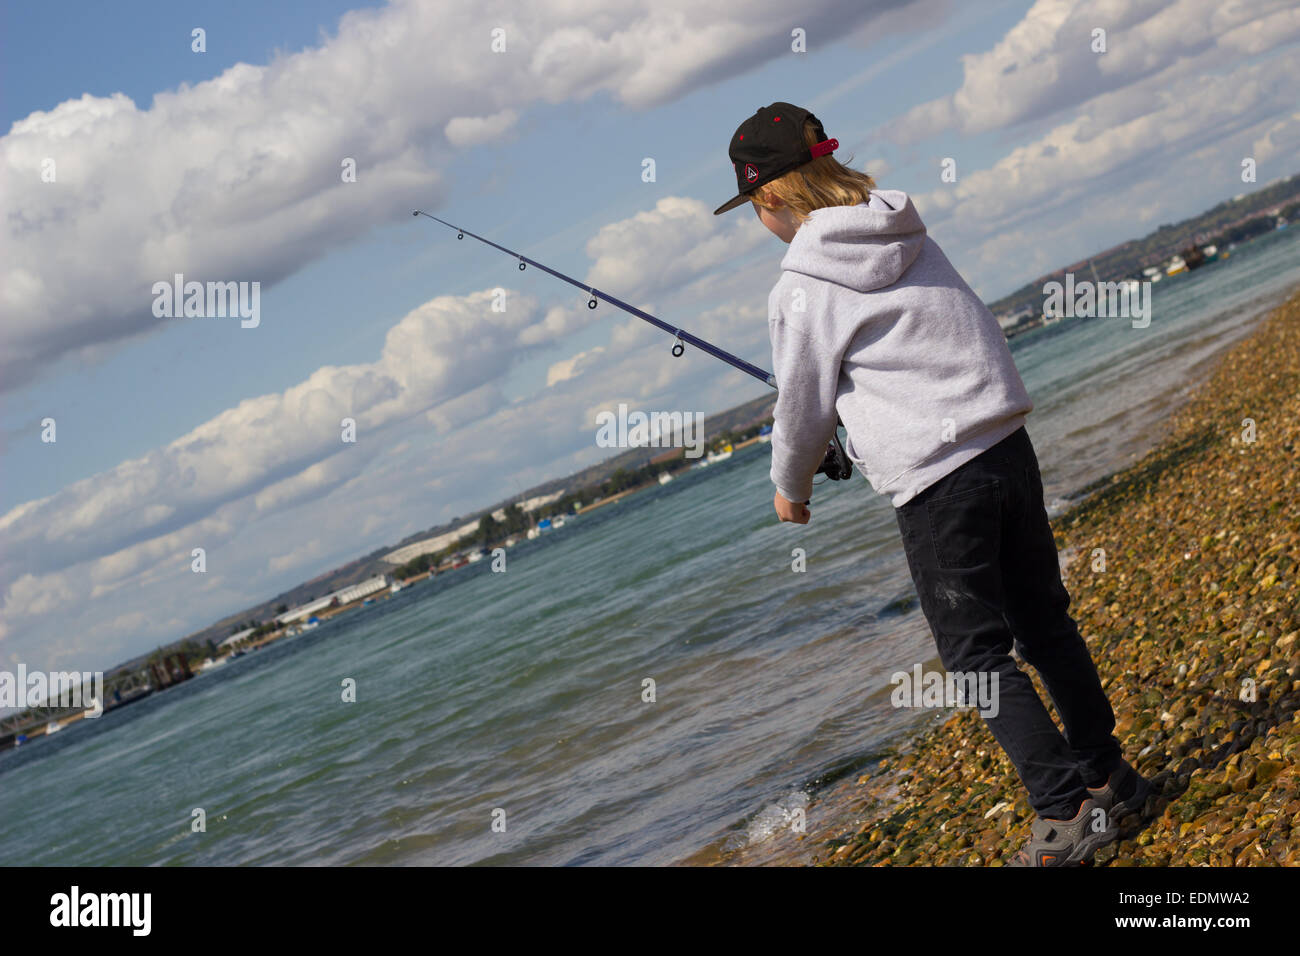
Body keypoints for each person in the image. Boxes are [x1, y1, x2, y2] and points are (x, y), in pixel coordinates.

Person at [713, 102, 1152, 866]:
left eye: (754, 207)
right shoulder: (904, 230)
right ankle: (1111, 778)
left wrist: (793, 486)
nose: (761, 220)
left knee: (977, 658)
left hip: (938, 485)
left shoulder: (801, 286)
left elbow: (802, 404)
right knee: (1044, 624)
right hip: (1006, 444)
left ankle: (1066, 812)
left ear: (772, 198)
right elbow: (931, 347)